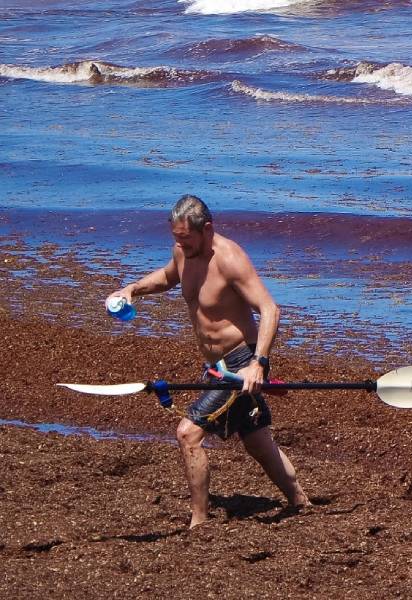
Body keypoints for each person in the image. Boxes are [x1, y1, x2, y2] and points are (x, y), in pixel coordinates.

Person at [107, 194, 309, 528]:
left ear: (208, 229)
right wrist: (132, 289)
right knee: (258, 442)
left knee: (188, 434)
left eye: (186, 238)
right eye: (176, 238)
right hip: (216, 367)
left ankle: (199, 522)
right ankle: (301, 503)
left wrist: (259, 363)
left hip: (241, 363)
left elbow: (270, 309)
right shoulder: (183, 251)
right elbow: (168, 277)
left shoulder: (230, 259)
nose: (180, 244)